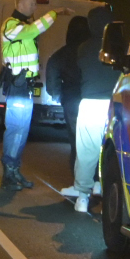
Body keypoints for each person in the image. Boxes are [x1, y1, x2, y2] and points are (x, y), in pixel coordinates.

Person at [59, 6, 120, 214]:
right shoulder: (120, 48)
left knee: (86, 153)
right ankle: (107, 191)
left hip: (90, 103)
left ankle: (83, 198)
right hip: (115, 105)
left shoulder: (84, 48)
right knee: (113, 152)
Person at [0, 0, 60, 190]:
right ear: (21, 4)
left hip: (24, 87)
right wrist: (55, 13)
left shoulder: (24, 26)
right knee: (16, 129)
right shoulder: (11, 25)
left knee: (22, 131)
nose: (35, 6)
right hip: (17, 86)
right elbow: (33, 30)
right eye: (32, 3)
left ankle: (14, 170)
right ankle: (9, 173)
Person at [46, 15, 91, 169]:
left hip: (71, 100)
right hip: (94, 98)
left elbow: (52, 75)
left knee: (75, 140)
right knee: (93, 140)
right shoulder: (93, 52)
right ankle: (95, 178)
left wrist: (58, 95)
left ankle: (78, 176)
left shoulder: (62, 54)